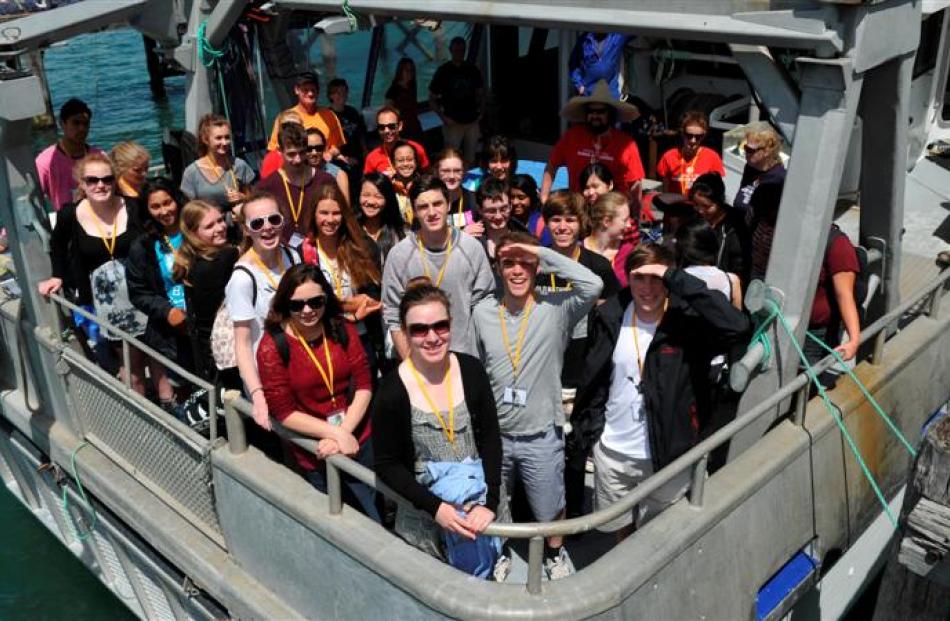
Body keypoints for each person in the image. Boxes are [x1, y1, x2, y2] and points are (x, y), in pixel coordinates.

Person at [572, 244, 750, 541]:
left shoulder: (688, 320)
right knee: (620, 530)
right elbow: (594, 378)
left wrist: (676, 277)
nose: (647, 287)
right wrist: (591, 433)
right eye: (639, 277)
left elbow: (738, 327)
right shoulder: (610, 314)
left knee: (661, 534)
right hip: (614, 451)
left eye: (657, 278)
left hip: (670, 453)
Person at [473, 232, 602, 580]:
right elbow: (474, 368)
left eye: (525, 263)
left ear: (537, 267)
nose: (517, 270)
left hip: (542, 432)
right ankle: (499, 552)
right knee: (495, 502)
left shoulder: (556, 307)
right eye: (508, 263)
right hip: (496, 434)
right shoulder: (483, 311)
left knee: (550, 507)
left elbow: (593, 283)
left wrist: (540, 251)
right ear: (498, 268)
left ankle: (554, 553)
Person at [372, 281, 504, 563]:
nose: (431, 337)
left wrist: (490, 503)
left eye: (440, 326)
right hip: (427, 517)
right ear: (405, 333)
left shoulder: (471, 369)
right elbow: (387, 464)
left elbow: (491, 440)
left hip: (478, 507)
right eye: (419, 329)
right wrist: (437, 509)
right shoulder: (392, 389)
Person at [257, 264, 379, 521]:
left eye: (316, 302)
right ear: (284, 304)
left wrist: (343, 432)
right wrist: (333, 433)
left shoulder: (341, 328)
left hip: (358, 437)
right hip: (315, 449)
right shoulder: (272, 346)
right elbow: (284, 412)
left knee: (371, 520)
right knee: (338, 523)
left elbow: (364, 384)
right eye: (297, 305)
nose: (308, 310)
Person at [37, 152, 148, 392]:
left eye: (107, 179)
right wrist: (58, 275)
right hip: (107, 302)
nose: (101, 185)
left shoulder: (132, 206)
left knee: (154, 355)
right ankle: (143, 412)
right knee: (131, 361)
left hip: (142, 292)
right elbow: (57, 245)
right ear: (82, 184)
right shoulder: (70, 214)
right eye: (92, 180)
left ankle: (167, 403)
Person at [539, 190, 619, 518]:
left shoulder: (597, 265)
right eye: (555, 219)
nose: (562, 226)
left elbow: (612, 314)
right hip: (540, 373)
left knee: (573, 451)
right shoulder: (535, 261)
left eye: (569, 219)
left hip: (577, 374)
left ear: (581, 223)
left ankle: (571, 514)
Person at [381, 176, 494, 360]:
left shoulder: (471, 248)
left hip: (464, 356)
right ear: (414, 211)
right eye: (423, 207)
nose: (432, 212)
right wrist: (412, 365)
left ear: (448, 204)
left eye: (437, 204)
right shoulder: (399, 255)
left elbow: (484, 305)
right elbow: (393, 315)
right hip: (419, 359)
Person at [225, 191, 300, 430]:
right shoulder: (242, 278)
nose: (267, 228)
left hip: (300, 364)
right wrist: (257, 395)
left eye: (274, 220)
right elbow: (243, 343)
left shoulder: (293, 256)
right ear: (247, 230)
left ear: (283, 221)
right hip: (270, 376)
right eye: (257, 223)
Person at [300, 182, 384, 376]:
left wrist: (355, 304)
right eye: (324, 213)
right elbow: (305, 302)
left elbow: (373, 296)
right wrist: (345, 305)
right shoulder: (303, 252)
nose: (330, 220)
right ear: (314, 214)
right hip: (322, 340)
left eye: (336, 213)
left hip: (361, 339)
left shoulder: (363, 247)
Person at [127, 179, 194, 412]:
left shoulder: (197, 230)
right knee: (185, 386)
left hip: (206, 325)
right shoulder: (143, 247)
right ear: (147, 211)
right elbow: (138, 292)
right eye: (156, 207)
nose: (164, 211)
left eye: (168, 202)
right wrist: (167, 311)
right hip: (174, 331)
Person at [172, 199, 240, 387]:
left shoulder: (192, 259)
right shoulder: (221, 259)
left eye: (220, 220)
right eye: (209, 226)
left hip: (207, 350)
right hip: (225, 350)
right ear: (194, 233)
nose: (220, 227)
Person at [540, 80, 643, 204]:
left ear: (610, 113)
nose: (594, 115)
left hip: (612, 212)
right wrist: (544, 198)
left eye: (600, 112)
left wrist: (634, 216)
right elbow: (551, 166)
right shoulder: (571, 136)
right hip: (578, 209)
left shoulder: (627, 144)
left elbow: (635, 184)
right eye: (590, 111)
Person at [256, 123, 335, 246]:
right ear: (280, 151)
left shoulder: (325, 181)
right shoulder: (266, 187)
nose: (298, 159)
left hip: (320, 250)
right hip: (283, 254)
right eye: (291, 154)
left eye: (302, 152)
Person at [35, 98, 103, 211]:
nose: (82, 128)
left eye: (85, 124)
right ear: (62, 123)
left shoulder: (99, 157)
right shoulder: (46, 162)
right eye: (76, 123)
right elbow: (34, 199)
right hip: (68, 223)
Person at [180, 114, 255, 212]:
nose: (224, 142)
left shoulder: (239, 165)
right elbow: (189, 209)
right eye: (218, 138)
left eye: (227, 137)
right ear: (205, 139)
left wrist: (242, 197)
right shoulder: (191, 172)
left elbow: (253, 199)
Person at [429, 36, 485, 164]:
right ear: (450, 50)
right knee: (451, 158)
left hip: (472, 121)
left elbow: (481, 94)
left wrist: (481, 112)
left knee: (471, 157)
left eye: (462, 50)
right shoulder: (443, 71)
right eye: (456, 50)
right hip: (452, 122)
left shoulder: (472, 70)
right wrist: (443, 118)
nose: (459, 53)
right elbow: (432, 99)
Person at [689, 172, 751, 287]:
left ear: (720, 201)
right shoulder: (695, 219)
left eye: (707, 206)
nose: (700, 211)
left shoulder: (735, 229)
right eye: (696, 205)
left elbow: (740, 272)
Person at [267, 71, 346, 158]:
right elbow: (274, 150)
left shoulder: (330, 115)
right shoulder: (284, 118)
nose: (310, 94)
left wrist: (329, 154)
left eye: (313, 90)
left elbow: (337, 146)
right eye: (305, 90)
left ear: (318, 91)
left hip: (322, 165)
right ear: (296, 90)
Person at [656, 110, 725, 195]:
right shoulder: (669, 156)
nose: (693, 140)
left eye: (698, 137)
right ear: (682, 134)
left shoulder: (713, 157)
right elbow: (665, 189)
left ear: (703, 136)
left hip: (699, 206)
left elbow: (717, 190)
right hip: (675, 205)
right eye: (689, 136)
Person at [466, 177, 528, 270]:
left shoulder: (525, 237)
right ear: (480, 210)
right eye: (491, 211)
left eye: (504, 209)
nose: (498, 216)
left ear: (511, 205)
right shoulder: (470, 239)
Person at [583, 191, 637, 288]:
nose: (629, 225)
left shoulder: (628, 252)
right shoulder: (579, 250)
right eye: (625, 220)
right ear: (606, 221)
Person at [734, 123, 786, 215]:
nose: (746, 152)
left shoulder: (779, 179)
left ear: (766, 152)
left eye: (750, 150)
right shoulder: (751, 167)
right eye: (745, 147)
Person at [363, 106, 430, 176]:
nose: (386, 131)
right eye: (382, 127)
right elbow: (368, 184)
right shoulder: (372, 158)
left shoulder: (417, 149)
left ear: (400, 126)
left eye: (391, 126)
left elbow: (427, 175)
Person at [357, 173, 406, 265]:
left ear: (388, 199)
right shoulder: (351, 230)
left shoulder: (399, 233)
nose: (371, 201)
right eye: (366, 195)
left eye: (378, 196)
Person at [569, 33, 630, 99]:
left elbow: (633, 29)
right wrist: (579, 84)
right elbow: (573, 63)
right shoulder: (584, 39)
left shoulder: (617, 37)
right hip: (589, 93)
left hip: (611, 94)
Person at [326, 77, 368, 171]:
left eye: (344, 91)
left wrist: (365, 152)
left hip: (358, 156)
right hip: (339, 159)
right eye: (338, 92)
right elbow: (327, 144)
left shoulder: (353, 112)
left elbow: (361, 133)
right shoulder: (327, 116)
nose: (342, 95)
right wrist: (342, 158)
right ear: (330, 96)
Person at [433, 148, 477, 229]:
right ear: (436, 172)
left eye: (457, 170)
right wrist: (463, 234)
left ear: (464, 172)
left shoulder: (472, 200)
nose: (452, 176)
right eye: (446, 171)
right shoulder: (428, 200)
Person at [306, 127, 350, 204]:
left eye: (318, 148)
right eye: (309, 148)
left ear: (325, 148)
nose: (314, 153)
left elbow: (345, 209)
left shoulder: (339, 175)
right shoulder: (296, 174)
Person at [385, 57, 424, 142]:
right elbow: (389, 111)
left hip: (415, 126)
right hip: (403, 130)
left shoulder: (411, 86)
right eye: (406, 70)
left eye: (411, 70)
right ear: (400, 71)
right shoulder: (393, 90)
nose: (409, 73)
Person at [259, 110, 303, 180]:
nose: (292, 130)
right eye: (287, 126)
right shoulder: (272, 158)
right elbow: (267, 186)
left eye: (297, 126)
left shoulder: (308, 153)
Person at [508, 174, 550, 244]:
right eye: (512, 197)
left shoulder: (542, 224)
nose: (515, 202)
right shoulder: (504, 220)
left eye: (521, 197)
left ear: (532, 198)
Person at [111, 141, 150, 213]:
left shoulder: (148, 187)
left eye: (146, 168)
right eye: (137, 170)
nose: (144, 173)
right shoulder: (114, 195)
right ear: (120, 168)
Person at [390, 140, 421, 224]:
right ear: (393, 164)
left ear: (416, 162)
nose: (405, 164)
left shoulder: (425, 186)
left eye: (410, 159)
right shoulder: (388, 189)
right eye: (400, 160)